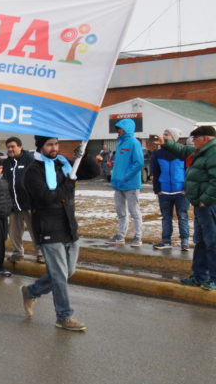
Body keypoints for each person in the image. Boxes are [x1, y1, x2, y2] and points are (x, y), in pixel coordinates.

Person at [20, 136, 100, 331]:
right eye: (50, 145)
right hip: (48, 227)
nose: (54, 148)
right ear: (41, 147)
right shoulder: (33, 171)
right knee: (59, 275)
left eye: (56, 144)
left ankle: (32, 291)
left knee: (67, 272)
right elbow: (47, 198)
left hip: (68, 226)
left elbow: (92, 172)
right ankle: (64, 316)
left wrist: (86, 155)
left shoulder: (63, 164)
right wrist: (69, 183)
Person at [161, 126, 216, 290]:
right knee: (201, 241)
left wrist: (206, 200)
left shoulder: (213, 152)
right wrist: (166, 143)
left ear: (205, 138)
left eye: (195, 139)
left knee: (212, 242)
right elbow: (184, 150)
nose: (193, 142)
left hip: (209, 205)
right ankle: (200, 276)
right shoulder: (203, 151)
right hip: (200, 204)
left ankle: (213, 279)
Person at [149, 128, 190, 252]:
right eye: (164, 134)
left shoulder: (183, 152)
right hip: (164, 192)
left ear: (174, 137)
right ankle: (166, 241)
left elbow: (189, 172)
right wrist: (157, 190)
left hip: (181, 192)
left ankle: (185, 242)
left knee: (182, 216)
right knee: (166, 218)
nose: (164, 136)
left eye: (167, 135)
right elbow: (154, 172)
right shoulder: (157, 153)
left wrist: (186, 189)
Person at [107, 118, 144, 247]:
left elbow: (139, 162)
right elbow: (118, 164)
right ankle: (120, 236)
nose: (118, 131)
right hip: (118, 184)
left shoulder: (134, 143)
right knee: (120, 211)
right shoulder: (120, 144)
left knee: (134, 211)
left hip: (131, 184)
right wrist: (114, 177)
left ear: (127, 129)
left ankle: (138, 237)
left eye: (120, 128)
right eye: (118, 128)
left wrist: (126, 177)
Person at [4, 136, 41, 263]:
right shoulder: (6, 163)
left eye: (13, 146)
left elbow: (37, 180)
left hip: (29, 203)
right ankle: (17, 253)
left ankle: (41, 253)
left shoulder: (29, 160)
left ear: (20, 147)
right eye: (8, 147)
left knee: (34, 229)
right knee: (14, 231)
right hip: (13, 204)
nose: (10, 149)